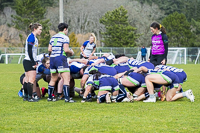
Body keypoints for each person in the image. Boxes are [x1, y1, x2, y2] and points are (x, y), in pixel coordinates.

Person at [48, 23, 74, 103]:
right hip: (60, 58)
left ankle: (50, 97)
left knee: (53, 79)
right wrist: (71, 52)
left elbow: (49, 49)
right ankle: (67, 98)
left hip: (52, 58)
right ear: (65, 29)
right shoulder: (65, 37)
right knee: (66, 78)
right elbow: (66, 50)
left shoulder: (53, 37)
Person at [22, 23, 42, 102]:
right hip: (29, 61)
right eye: (40, 29)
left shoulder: (33, 37)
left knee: (27, 79)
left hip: (27, 60)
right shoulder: (31, 37)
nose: (41, 31)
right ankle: (30, 97)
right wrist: (33, 62)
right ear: (35, 29)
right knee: (31, 79)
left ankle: (26, 96)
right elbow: (30, 51)